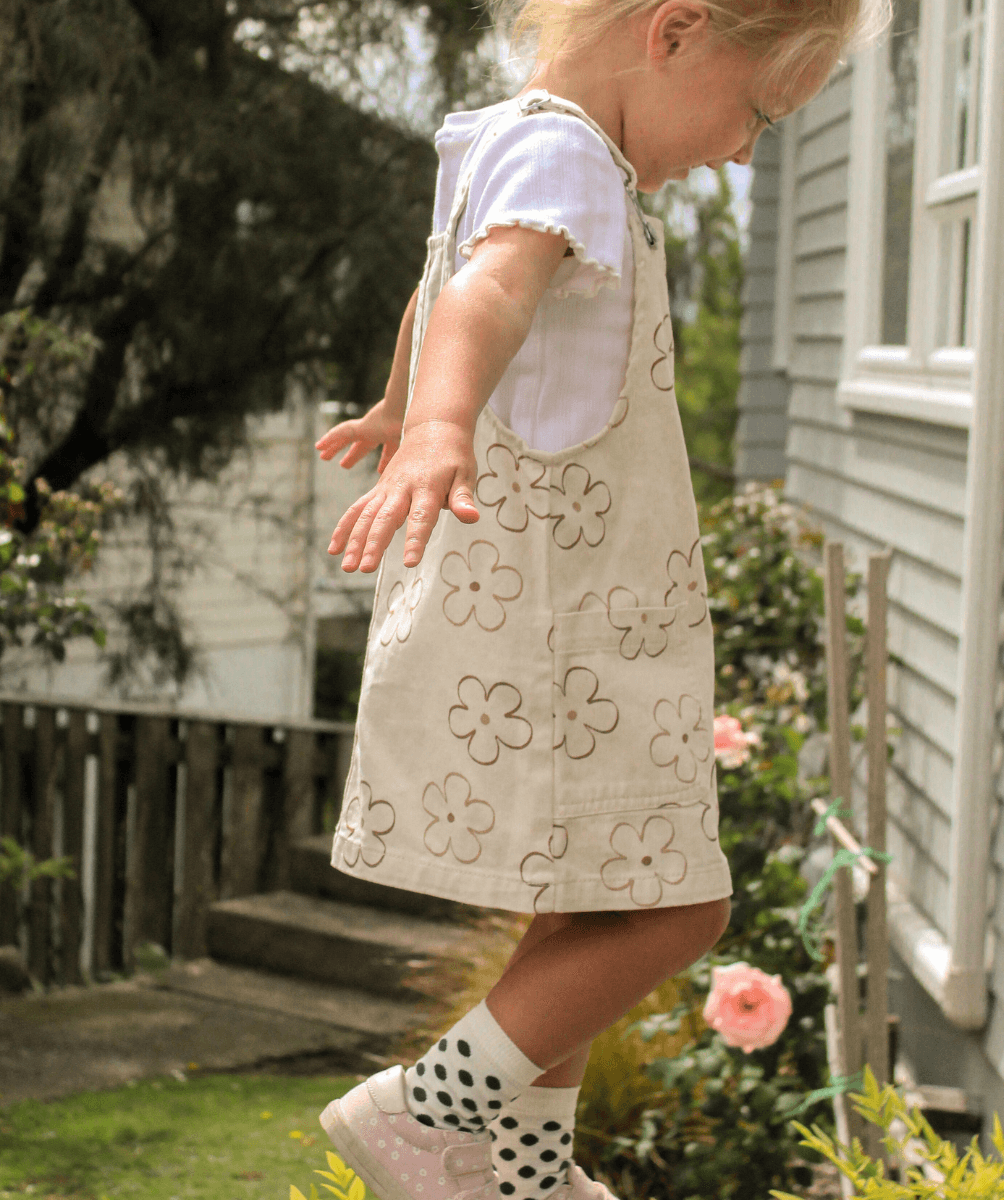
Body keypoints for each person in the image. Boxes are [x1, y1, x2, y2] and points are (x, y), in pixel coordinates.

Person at [313, 0, 870, 1194]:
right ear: (674, 34)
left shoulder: (522, 145)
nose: (742, 151)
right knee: (679, 911)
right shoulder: (569, 154)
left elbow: (445, 287)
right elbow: (491, 295)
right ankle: (421, 1111)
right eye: (758, 112)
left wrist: (402, 402)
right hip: (570, 636)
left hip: (578, 624)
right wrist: (440, 425)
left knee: (584, 905)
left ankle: (526, 1168)